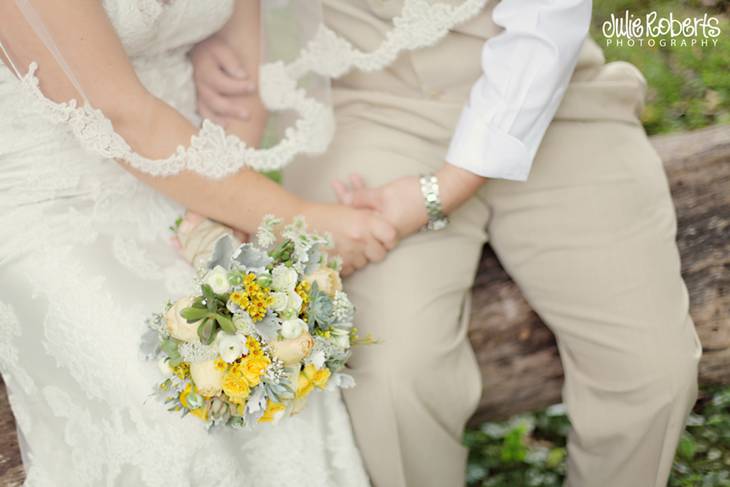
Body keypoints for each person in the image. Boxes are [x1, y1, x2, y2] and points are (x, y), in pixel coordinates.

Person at [193, 0, 703, 486]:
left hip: (555, 96)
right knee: (395, 375)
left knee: (654, 368)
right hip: (367, 105)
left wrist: (442, 190)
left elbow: (546, 18)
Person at [0, 1, 393, 485]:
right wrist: (299, 221)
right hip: (53, 202)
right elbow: (118, 113)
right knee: (162, 405)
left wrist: (222, 210)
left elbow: (239, 76)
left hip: (195, 177)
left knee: (276, 364)